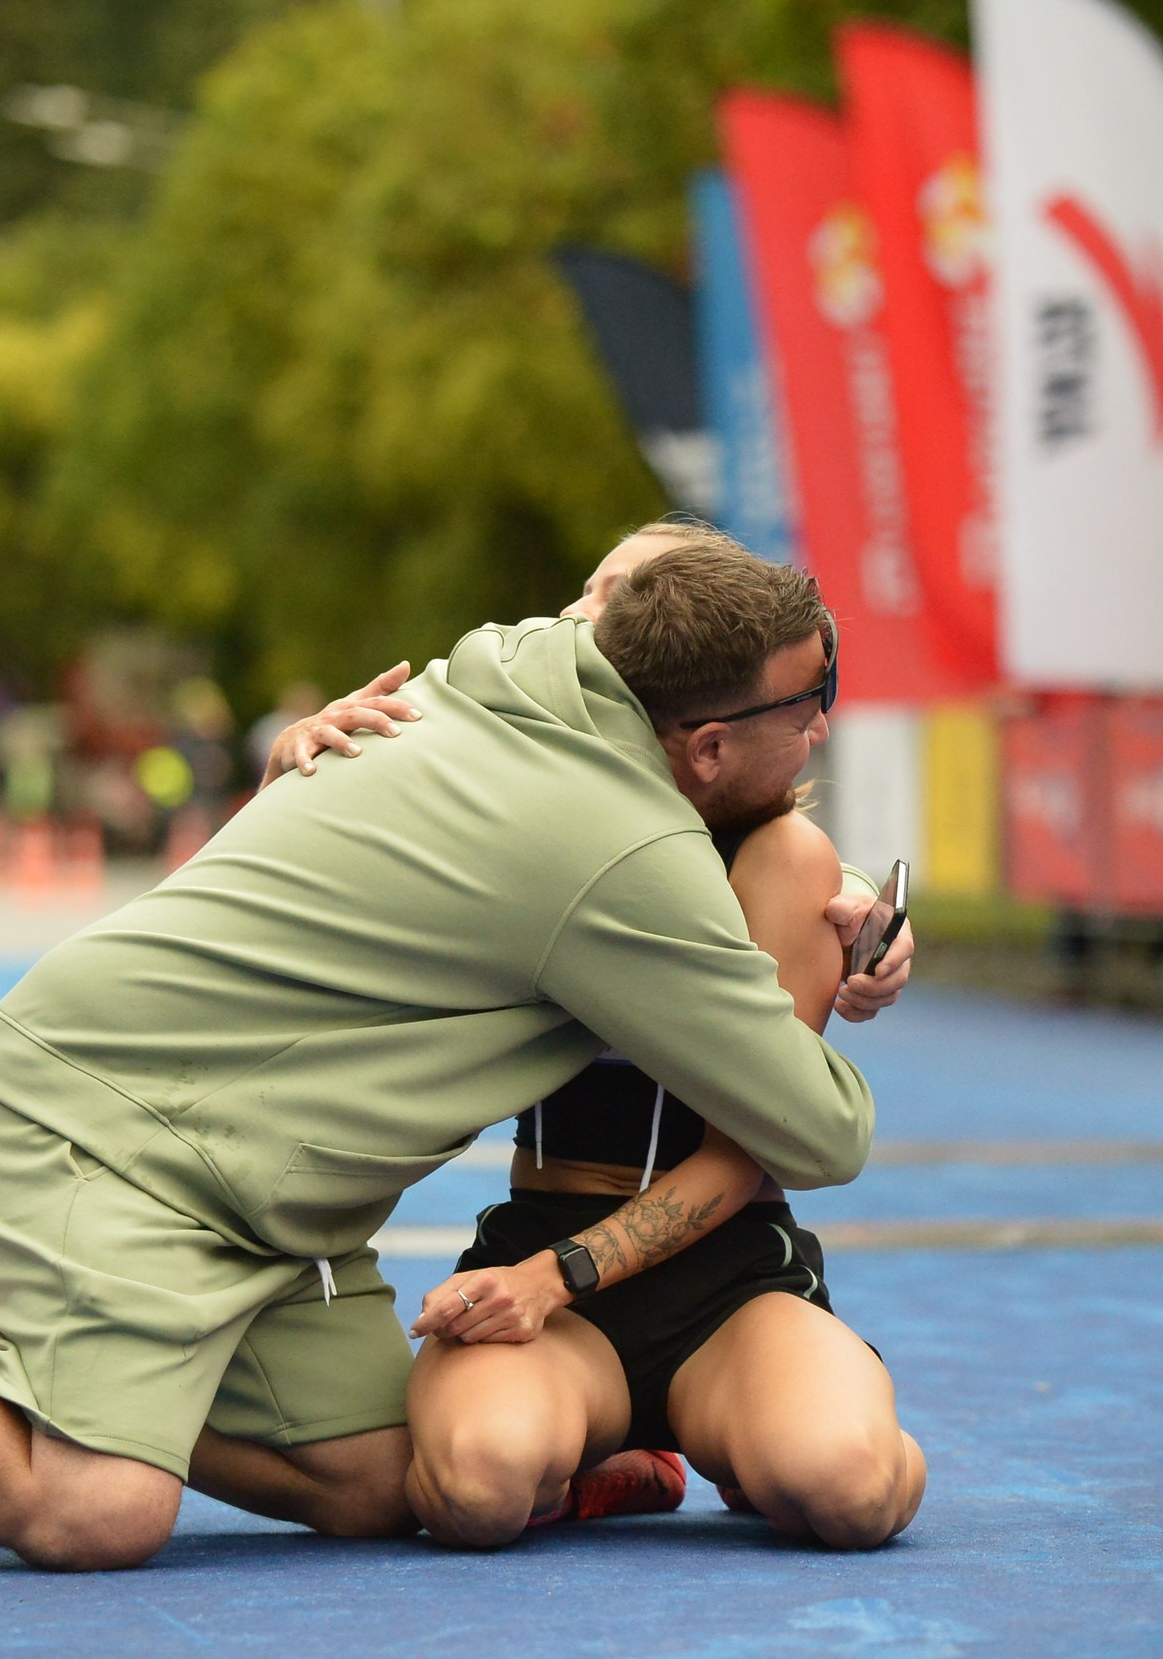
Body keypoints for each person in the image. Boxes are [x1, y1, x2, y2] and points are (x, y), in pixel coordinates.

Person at [0, 534, 914, 1571]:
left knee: (384, 1482)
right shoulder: (613, 851)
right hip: (116, 1116)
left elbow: (722, 834)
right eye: (813, 699)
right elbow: (819, 1131)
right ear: (700, 742)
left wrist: (842, 905)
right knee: (95, 1514)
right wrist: (820, 936)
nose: (822, 727)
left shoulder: (496, 676)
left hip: (265, 1171)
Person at [268, 525, 925, 1547]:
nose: (582, 621)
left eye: (617, 599)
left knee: (845, 1490)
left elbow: (745, 1158)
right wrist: (295, 776)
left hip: (723, 1283)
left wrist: (547, 1281)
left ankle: (807, 1405)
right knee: (473, 1493)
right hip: (549, 1242)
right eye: (587, 594)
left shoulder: (782, 856)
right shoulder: (522, 811)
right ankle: (606, 1456)